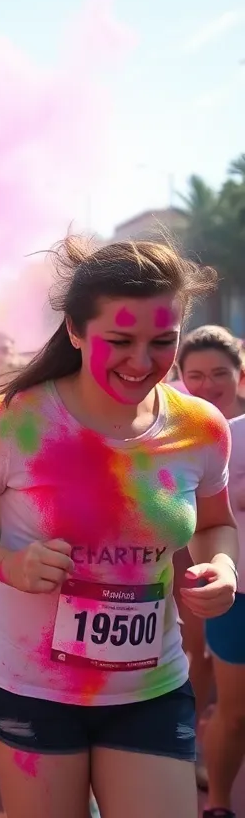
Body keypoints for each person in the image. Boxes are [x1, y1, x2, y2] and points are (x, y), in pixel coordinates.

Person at [0, 237, 238, 818]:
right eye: (119, 341)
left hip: (151, 685)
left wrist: (220, 566)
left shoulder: (202, 428)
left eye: (161, 342)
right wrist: (8, 565)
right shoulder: (15, 421)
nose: (141, 362)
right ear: (75, 330)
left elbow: (216, 525)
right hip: (31, 687)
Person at [179, 326, 245, 812]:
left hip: (220, 562)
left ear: (239, 377)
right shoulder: (178, 433)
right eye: (195, 376)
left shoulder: (234, 432)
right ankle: (190, 754)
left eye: (219, 374)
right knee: (190, 653)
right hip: (196, 566)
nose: (208, 385)